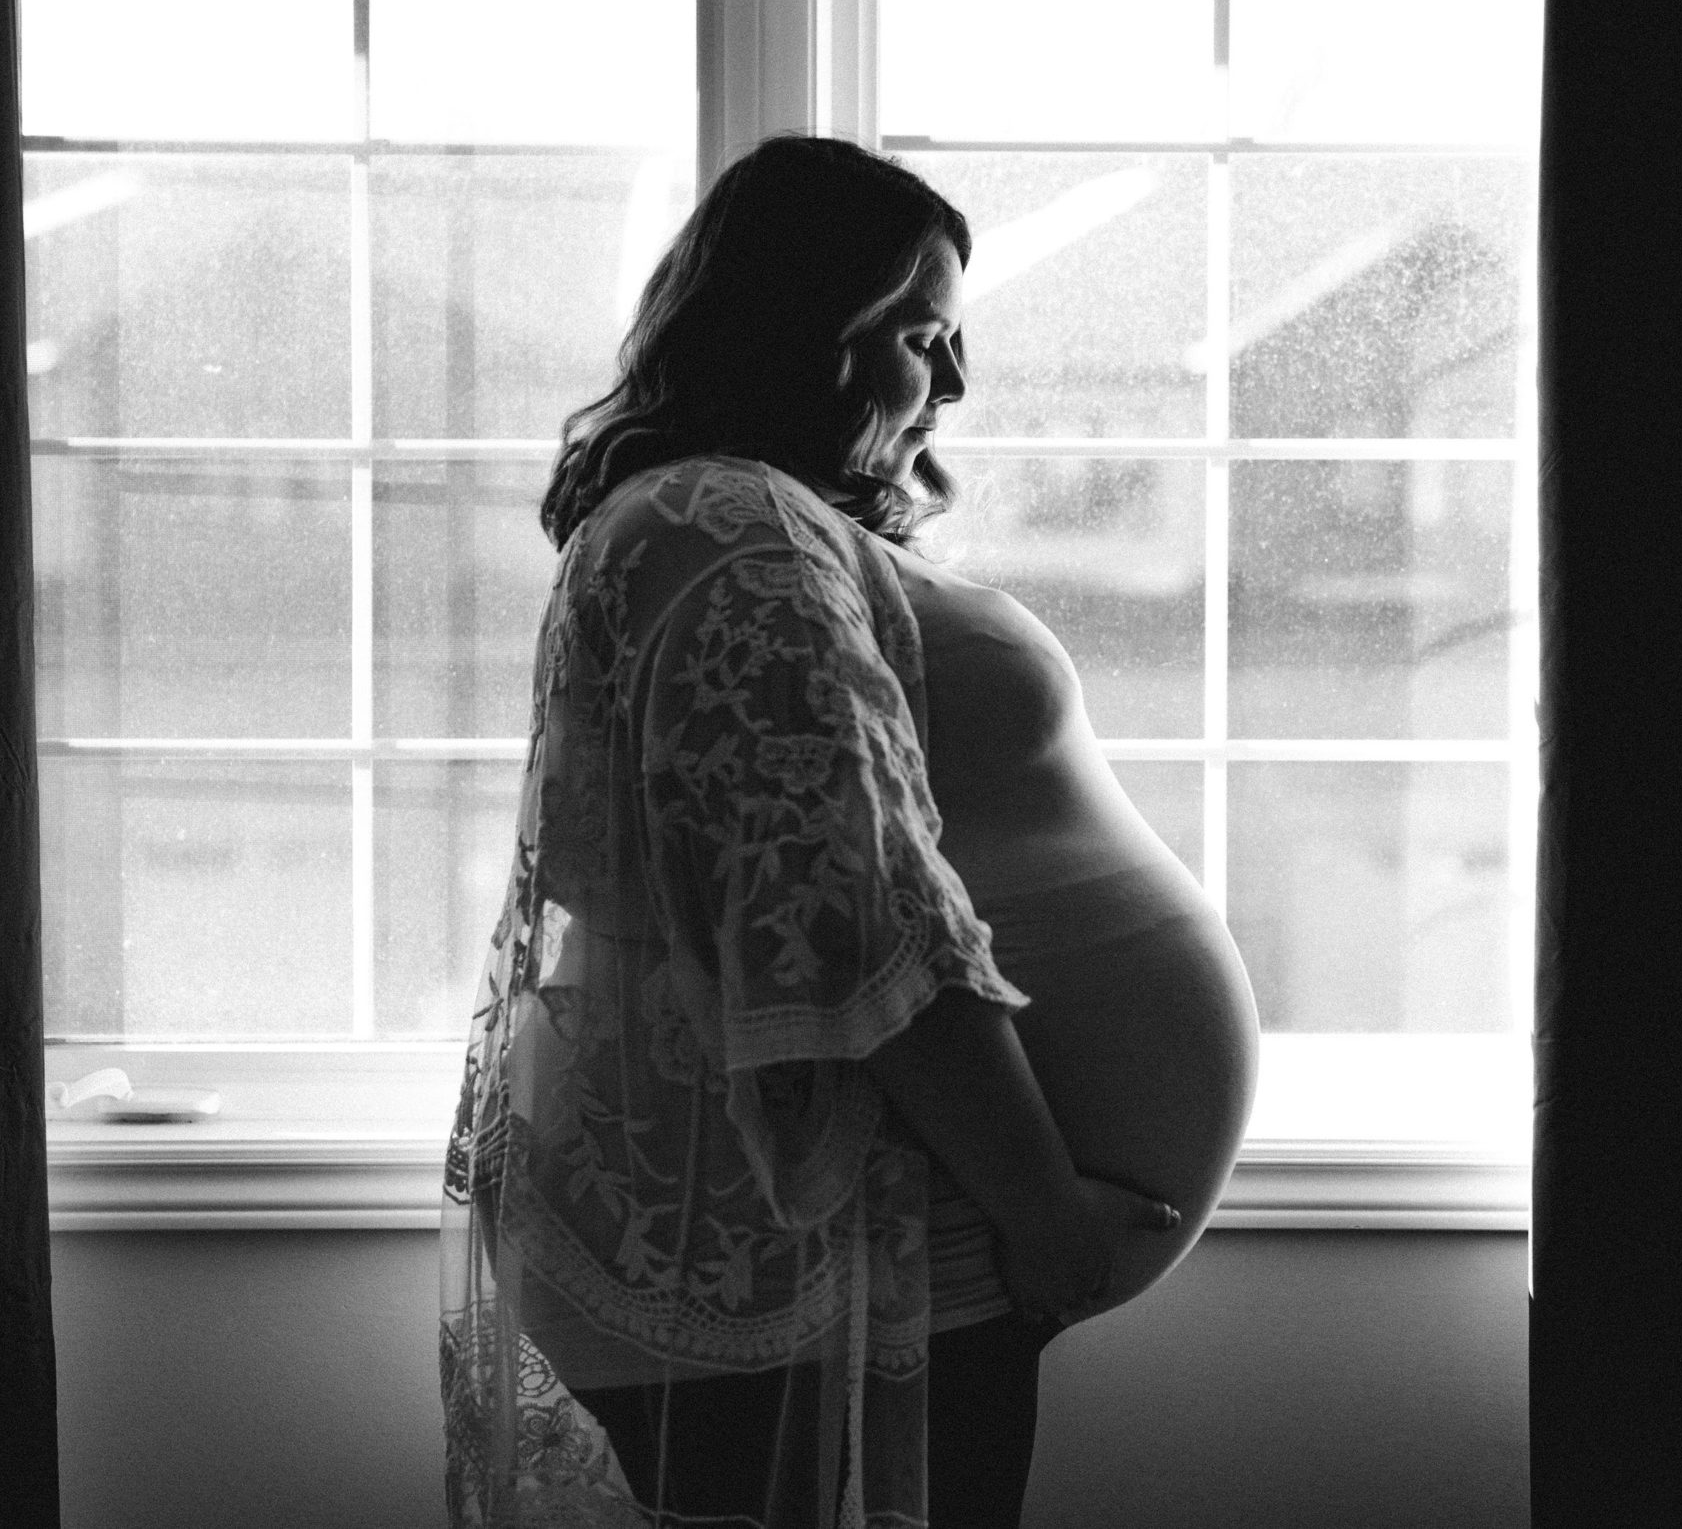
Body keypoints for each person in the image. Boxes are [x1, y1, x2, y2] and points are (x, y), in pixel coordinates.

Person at [441, 135, 1258, 1529]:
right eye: (922, 335)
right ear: (807, 329)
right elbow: (845, 911)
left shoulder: (750, 522)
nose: (953, 383)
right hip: (788, 1254)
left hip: (837, 1250)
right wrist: (1050, 1218)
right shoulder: (727, 522)